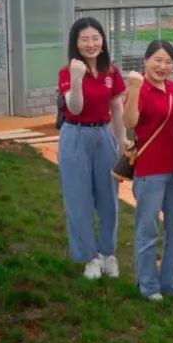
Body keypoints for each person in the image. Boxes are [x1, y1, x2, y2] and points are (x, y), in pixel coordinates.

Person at [56, 17, 127, 280]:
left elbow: (117, 109)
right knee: (78, 199)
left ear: (103, 40)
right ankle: (89, 256)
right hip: (75, 135)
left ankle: (108, 253)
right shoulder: (67, 72)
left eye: (95, 38)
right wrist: (77, 80)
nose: (91, 44)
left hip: (104, 135)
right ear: (75, 43)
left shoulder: (111, 71)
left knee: (109, 198)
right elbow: (75, 108)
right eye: (84, 39)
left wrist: (122, 143)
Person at [123, 40, 173, 304]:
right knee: (148, 229)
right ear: (146, 60)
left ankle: (171, 282)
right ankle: (148, 284)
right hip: (149, 172)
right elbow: (130, 121)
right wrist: (134, 88)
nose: (163, 66)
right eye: (158, 60)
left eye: (168, 62)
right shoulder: (140, 87)